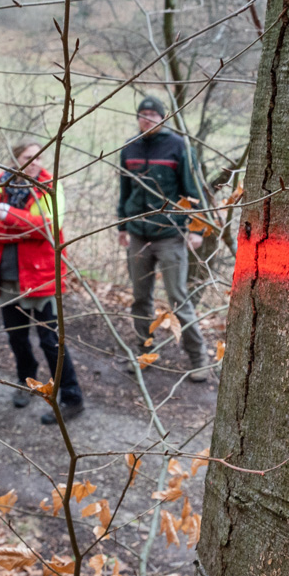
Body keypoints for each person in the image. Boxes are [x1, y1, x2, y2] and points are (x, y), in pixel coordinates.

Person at [0, 143, 85, 423]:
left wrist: (10, 216)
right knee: (17, 337)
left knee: (51, 341)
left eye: (39, 156)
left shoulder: (50, 185)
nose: (35, 162)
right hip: (6, 276)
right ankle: (27, 384)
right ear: (15, 160)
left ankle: (72, 398)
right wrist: (27, 228)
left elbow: (50, 227)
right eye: (28, 158)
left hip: (41, 277)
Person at [116, 95, 208, 382]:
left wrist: (197, 228)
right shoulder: (129, 148)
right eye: (142, 115)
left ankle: (199, 357)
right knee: (140, 298)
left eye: (152, 115)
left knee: (178, 298)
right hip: (137, 234)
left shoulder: (179, 147)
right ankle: (145, 352)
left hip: (170, 235)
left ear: (163, 118)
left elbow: (193, 190)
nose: (146, 119)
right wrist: (122, 225)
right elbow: (124, 190)